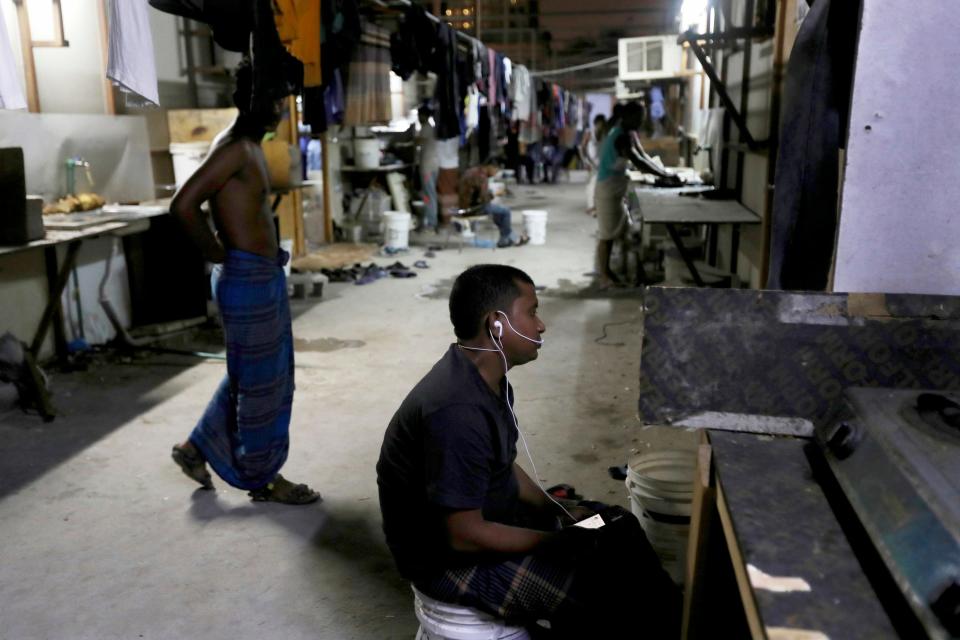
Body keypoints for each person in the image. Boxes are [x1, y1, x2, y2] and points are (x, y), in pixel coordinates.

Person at [376, 264, 681, 637]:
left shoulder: (487, 378)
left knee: (616, 525)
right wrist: (558, 541)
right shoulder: (456, 411)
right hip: (448, 562)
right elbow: (462, 534)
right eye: (532, 311)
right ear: (497, 324)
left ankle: (670, 618)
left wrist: (557, 510)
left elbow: (502, 466)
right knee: (596, 586)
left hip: (491, 523)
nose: (541, 325)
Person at [168, 61, 320, 505]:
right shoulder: (234, 147)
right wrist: (217, 253)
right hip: (246, 280)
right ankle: (263, 478)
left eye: (283, 101)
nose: (280, 111)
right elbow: (183, 205)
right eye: (274, 101)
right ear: (252, 101)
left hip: (261, 277)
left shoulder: (250, 146)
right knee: (262, 388)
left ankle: (195, 447)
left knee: (251, 376)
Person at [593, 101, 646, 289]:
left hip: (615, 190)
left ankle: (613, 272)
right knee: (606, 236)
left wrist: (663, 172)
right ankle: (604, 277)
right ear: (628, 117)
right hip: (607, 190)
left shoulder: (625, 133)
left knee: (622, 232)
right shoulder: (620, 137)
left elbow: (642, 156)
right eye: (639, 117)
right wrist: (665, 175)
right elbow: (639, 161)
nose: (642, 121)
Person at [458, 164, 529, 248]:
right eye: (496, 171)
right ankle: (505, 239)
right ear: (490, 167)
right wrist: (494, 194)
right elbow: (484, 198)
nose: (495, 174)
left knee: (498, 213)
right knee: (506, 211)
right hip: (473, 209)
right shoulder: (482, 176)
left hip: (463, 206)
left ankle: (511, 238)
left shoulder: (473, 171)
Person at [414, 103, 440, 231]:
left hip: (427, 167)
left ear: (424, 116)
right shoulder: (431, 128)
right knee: (430, 193)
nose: (418, 118)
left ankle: (431, 221)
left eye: (419, 115)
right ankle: (430, 219)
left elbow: (418, 142)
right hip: (433, 165)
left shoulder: (426, 128)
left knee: (429, 194)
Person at [580, 113, 607, 216]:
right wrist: (586, 161)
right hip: (592, 162)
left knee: (599, 184)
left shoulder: (605, 132)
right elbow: (582, 148)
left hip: (601, 162)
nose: (602, 125)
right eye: (600, 123)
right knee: (591, 184)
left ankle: (597, 206)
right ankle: (591, 207)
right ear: (595, 123)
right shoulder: (589, 133)